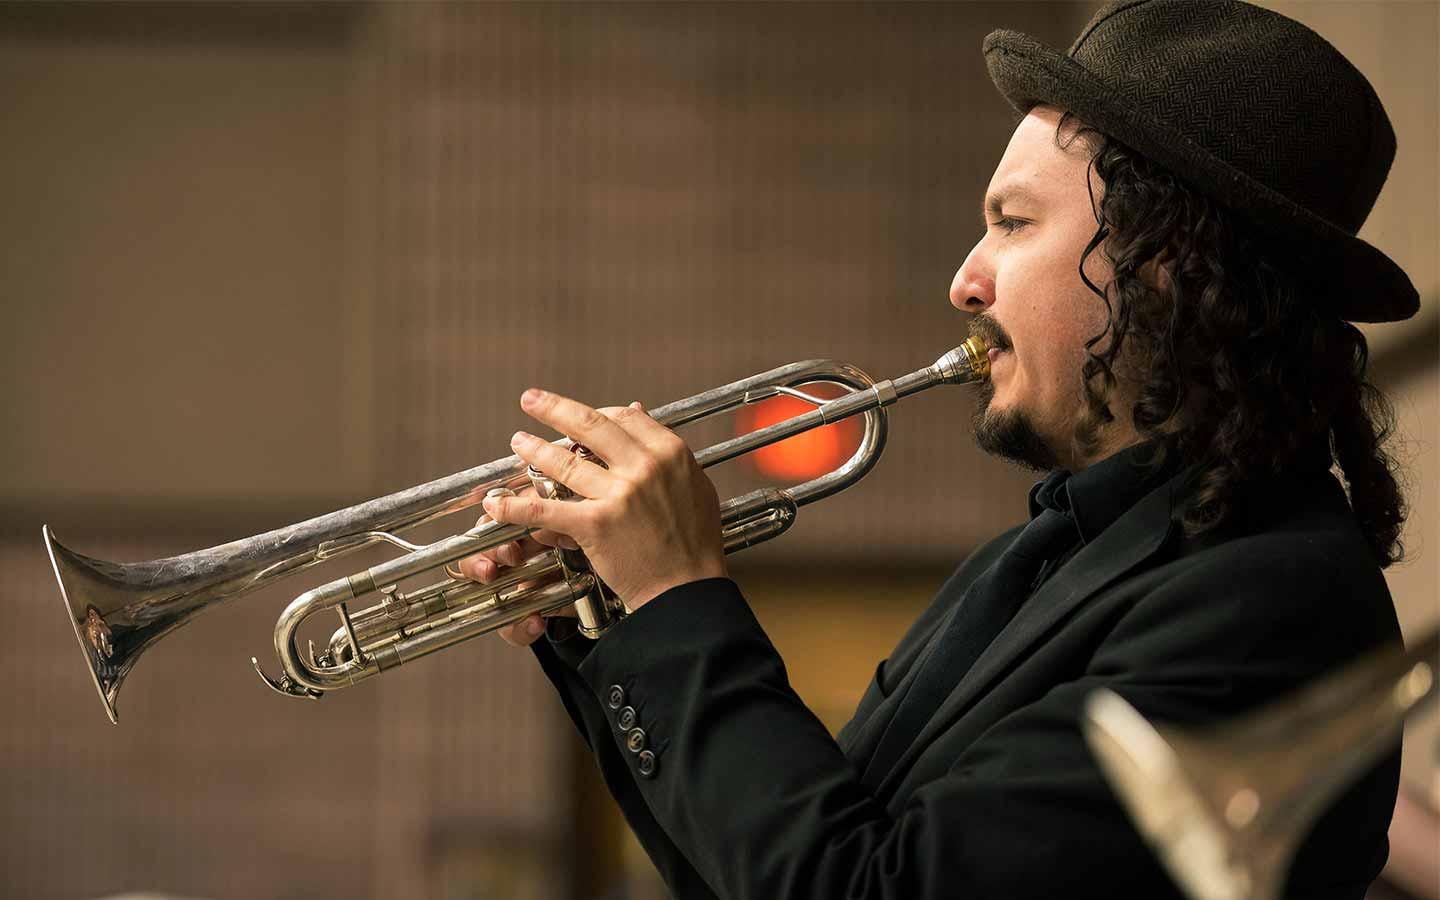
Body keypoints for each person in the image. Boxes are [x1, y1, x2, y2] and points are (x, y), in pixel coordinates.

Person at [458, 2, 1420, 897]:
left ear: (1161, 261)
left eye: (1012, 223)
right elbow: (759, 870)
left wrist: (676, 598)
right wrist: (605, 616)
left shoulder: (1271, 600)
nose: (966, 281)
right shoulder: (1040, 557)